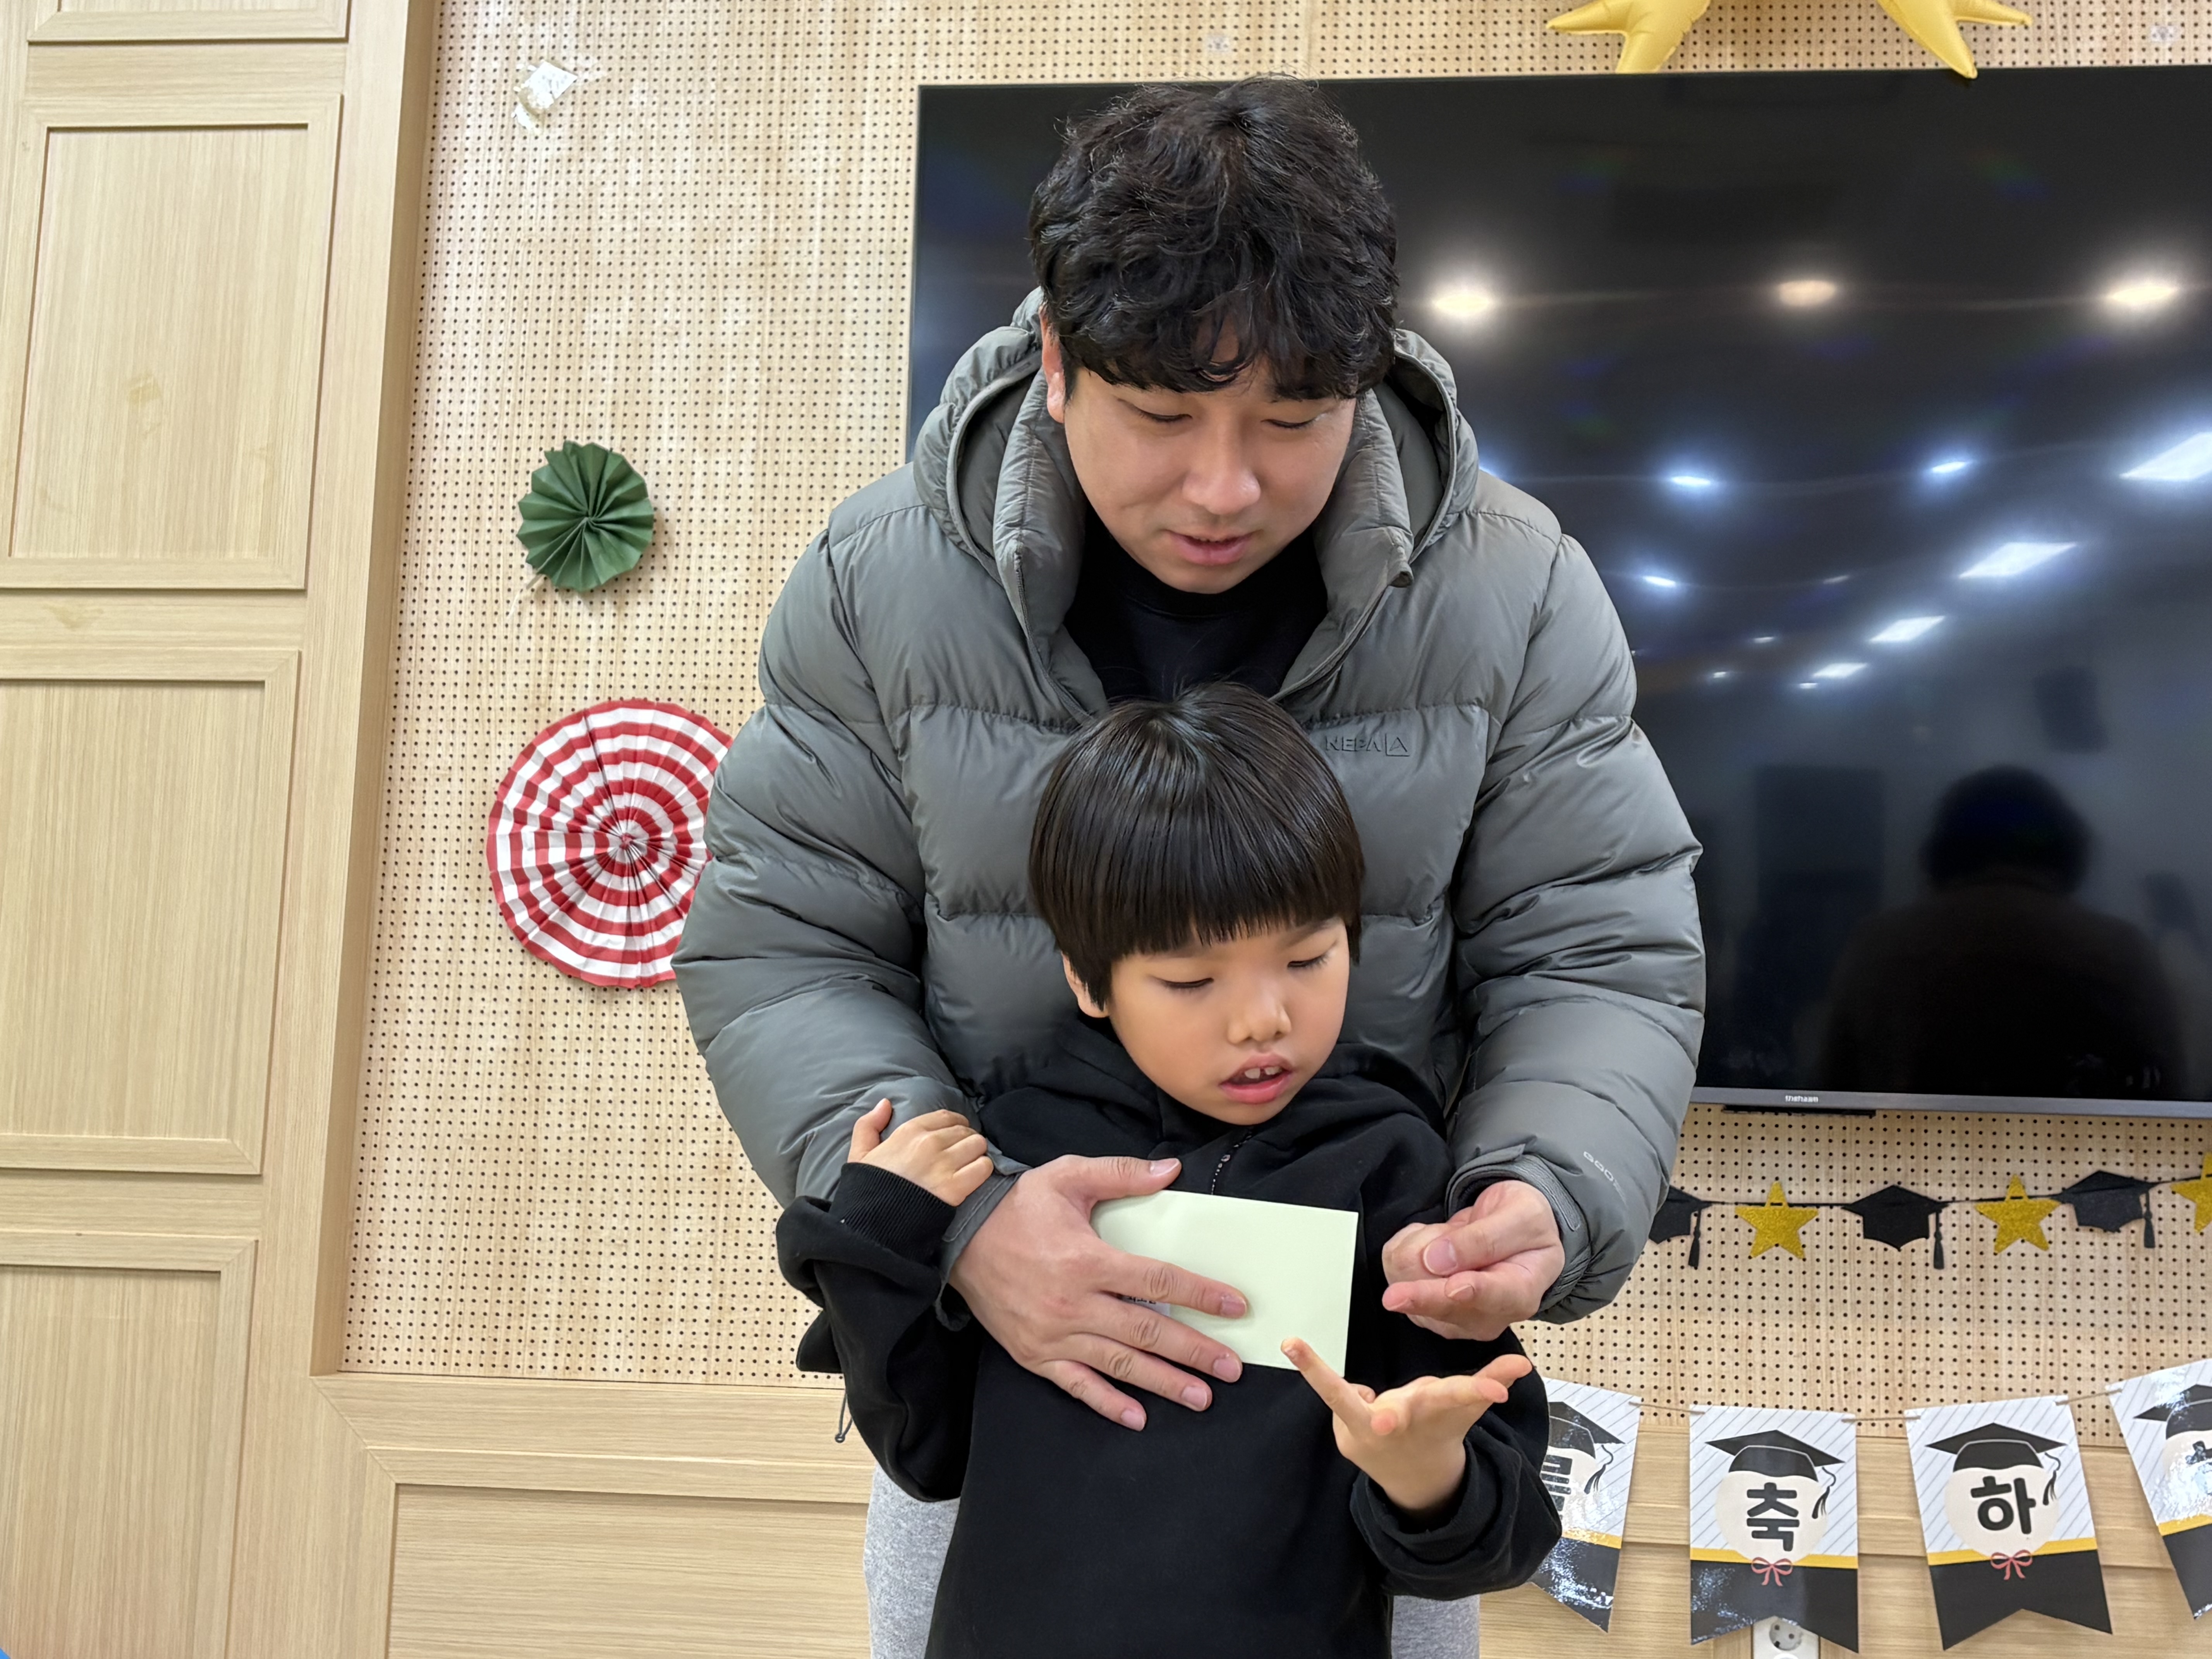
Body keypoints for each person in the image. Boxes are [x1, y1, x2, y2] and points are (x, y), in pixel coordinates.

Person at [675, 76, 1703, 1656]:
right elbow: (783, 949)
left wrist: (1547, 1190)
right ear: (1057, 360)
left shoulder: (1514, 587)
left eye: (1293, 422)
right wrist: (964, 1224)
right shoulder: (881, 581)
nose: (1226, 487)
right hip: (1007, 1377)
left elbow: (1599, 950)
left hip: (1355, 1411)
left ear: (1367, 376)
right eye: (1163, 417)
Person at [776, 686, 1561, 1658]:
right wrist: (878, 1240)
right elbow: (925, 1452)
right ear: (1086, 977)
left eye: (1309, 958)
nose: (1263, 1020)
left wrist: (1428, 1477)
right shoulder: (1013, 1151)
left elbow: (1502, 1539)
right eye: (1192, 980)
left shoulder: (1392, 1169)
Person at [1821, 766, 2182, 1099]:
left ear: (1945, 846)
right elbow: (2168, 1109)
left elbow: (1828, 1101)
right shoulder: (2122, 952)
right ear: (2067, 847)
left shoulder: (1879, 944)